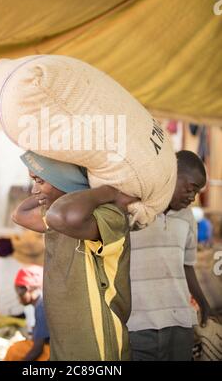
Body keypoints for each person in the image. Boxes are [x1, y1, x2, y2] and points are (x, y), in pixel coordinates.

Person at [11, 151, 138, 361]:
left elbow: (61, 216)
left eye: (40, 181)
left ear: (64, 178)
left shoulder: (108, 214)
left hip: (97, 346)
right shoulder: (56, 213)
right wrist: (53, 186)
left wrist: (110, 192)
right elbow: (19, 215)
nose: (34, 190)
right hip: (65, 345)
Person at [128, 150, 213, 361]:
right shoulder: (134, 210)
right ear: (171, 174)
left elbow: (187, 265)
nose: (192, 197)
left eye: (197, 192)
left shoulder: (187, 218)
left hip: (179, 322)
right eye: (191, 188)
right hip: (137, 323)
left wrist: (202, 301)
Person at [4, 265, 50, 361]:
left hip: (49, 352)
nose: (18, 298)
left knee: (14, 351)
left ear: (27, 289)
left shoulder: (41, 306)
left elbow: (38, 349)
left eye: (19, 293)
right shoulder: (43, 302)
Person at [0, 238, 33, 326]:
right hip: (19, 312)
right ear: (12, 249)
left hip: (0, 312)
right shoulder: (19, 265)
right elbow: (24, 290)